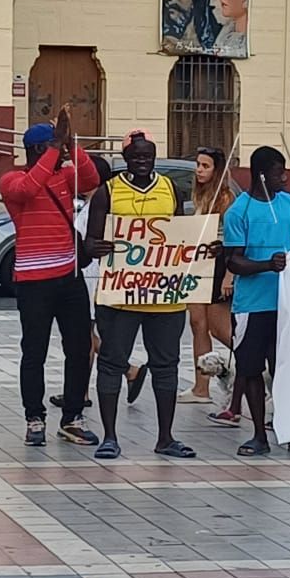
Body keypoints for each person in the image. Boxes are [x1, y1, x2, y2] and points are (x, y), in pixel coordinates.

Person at [84, 132, 195, 460]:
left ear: (155, 157)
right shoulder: (107, 192)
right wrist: (96, 246)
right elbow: (89, 242)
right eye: (136, 157)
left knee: (167, 365)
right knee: (111, 362)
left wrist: (202, 249)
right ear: (126, 159)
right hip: (120, 294)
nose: (142, 161)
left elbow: (180, 237)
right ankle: (109, 437)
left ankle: (166, 438)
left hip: (164, 294)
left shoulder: (170, 189)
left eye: (148, 156)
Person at [0, 111, 100, 449]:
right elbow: (28, 189)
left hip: (69, 277)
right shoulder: (11, 180)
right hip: (33, 281)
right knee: (34, 352)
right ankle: (34, 418)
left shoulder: (64, 176)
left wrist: (72, 144)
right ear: (38, 150)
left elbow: (91, 178)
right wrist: (56, 148)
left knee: (79, 349)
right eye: (52, 147)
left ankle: (72, 418)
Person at [223, 146, 290, 456]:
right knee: (251, 369)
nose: (284, 178)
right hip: (252, 305)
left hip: (288, 304)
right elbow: (233, 260)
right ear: (262, 176)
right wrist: (267, 265)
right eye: (278, 173)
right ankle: (259, 434)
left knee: (287, 368)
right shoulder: (238, 211)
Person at [186, 147, 237, 404]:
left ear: (217, 170)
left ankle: (257, 369)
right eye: (198, 164)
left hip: (217, 263)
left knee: (219, 328)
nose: (199, 170)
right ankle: (201, 387)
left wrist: (229, 274)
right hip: (198, 263)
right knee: (197, 323)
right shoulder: (200, 196)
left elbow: (234, 237)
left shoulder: (226, 198)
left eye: (205, 166)